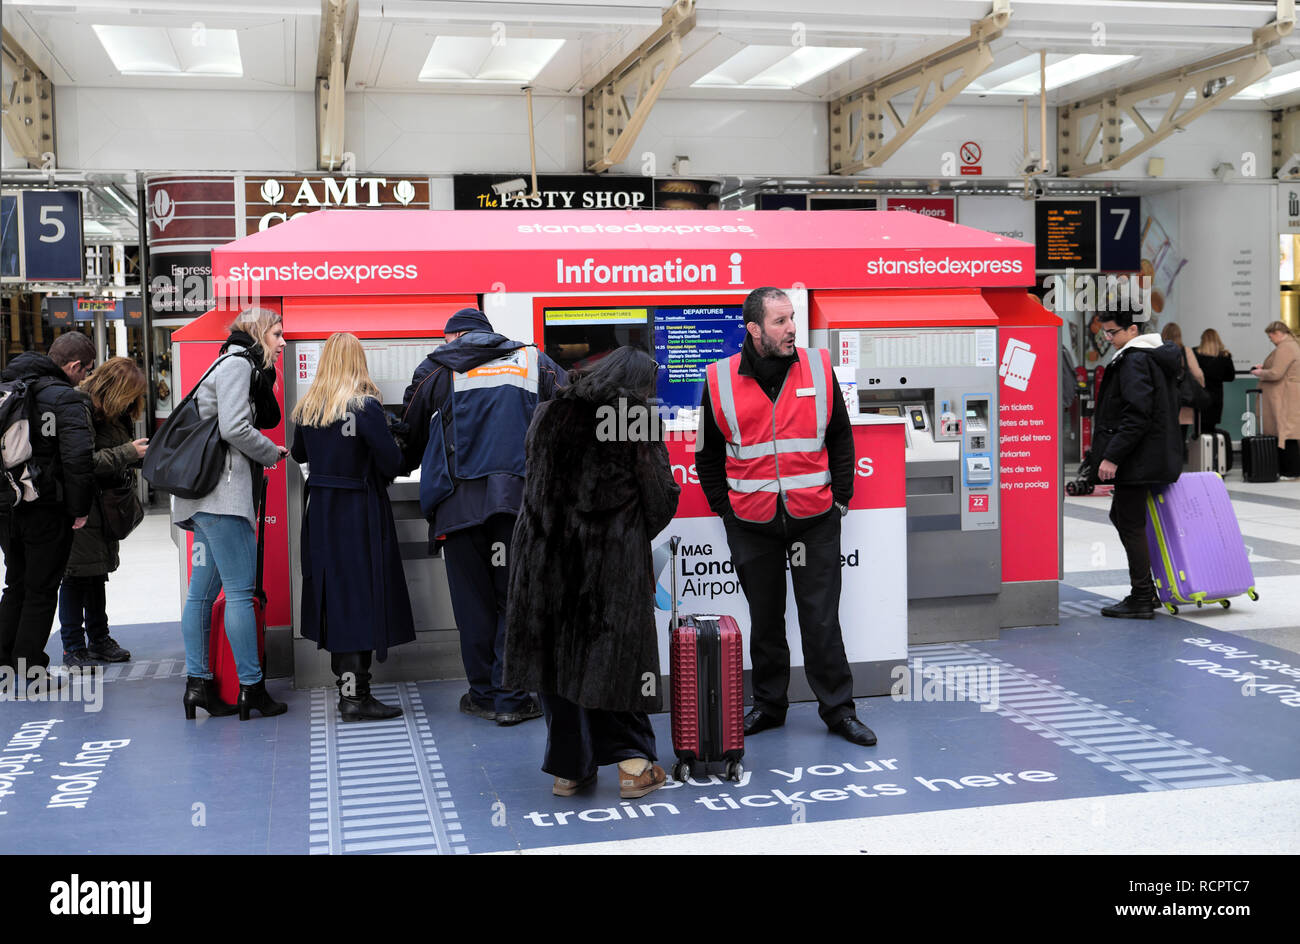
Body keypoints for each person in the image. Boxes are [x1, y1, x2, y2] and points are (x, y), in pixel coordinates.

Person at [695, 286, 876, 746]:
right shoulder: (717, 379)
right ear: (754, 329)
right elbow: (707, 455)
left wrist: (841, 500)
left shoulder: (817, 366)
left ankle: (839, 711)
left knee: (821, 621)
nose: (791, 328)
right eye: (780, 321)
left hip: (814, 519)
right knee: (766, 620)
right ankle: (769, 706)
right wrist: (726, 511)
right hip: (752, 522)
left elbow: (840, 437)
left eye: (791, 318)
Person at [503, 346, 679, 798]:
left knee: (556, 664)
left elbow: (534, 482)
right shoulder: (633, 416)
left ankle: (570, 770)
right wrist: (622, 535)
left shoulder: (547, 412)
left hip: (541, 559)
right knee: (618, 660)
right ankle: (634, 767)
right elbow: (660, 497)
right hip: (607, 564)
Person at [399, 307, 566, 726]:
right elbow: (571, 415)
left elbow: (409, 431)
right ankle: (511, 698)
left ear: (454, 336)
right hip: (516, 503)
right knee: (513, 599)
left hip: (457, 506)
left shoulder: (437, 368)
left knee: (472, 603)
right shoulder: (534, 360)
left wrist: (394, 463)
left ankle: (483, 693)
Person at [171, 307, 289, 720]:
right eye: (276, 334)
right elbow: (235, 428)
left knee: (200, 595)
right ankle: (252, 688)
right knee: (241, 593)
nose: (282, 342)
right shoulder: (239, 364)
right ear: (258, 333)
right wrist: (271, 452)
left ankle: (198, 685)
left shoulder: (225, 361)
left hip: (202, 498)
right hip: (223, 496)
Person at [290, 333, 414, 721]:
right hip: (358, 511)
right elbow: (392, 462)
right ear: (358, 363)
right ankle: (355, 697)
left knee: (335, 596)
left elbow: (299, 454)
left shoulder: (309, 407)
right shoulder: (365, 407)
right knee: (361, 597)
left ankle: (348, 689)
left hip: (322, 511)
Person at [0, 332, 95, 689]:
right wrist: (79, 509)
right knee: (41, 589)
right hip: (46, 507)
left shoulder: (6, 386)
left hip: (7, 506)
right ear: (72, 366)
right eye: (85, 371)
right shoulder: (66, 399)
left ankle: (3, 663)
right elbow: (77, 459)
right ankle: (31, 669)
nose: (84, 377)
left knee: (15, 583)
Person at [1090, 310, 1182, 618]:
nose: (1108, 339)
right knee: (1124, 517)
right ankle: (1146, 591)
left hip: (1137, 458)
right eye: (1104, 333)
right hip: (1150, 454)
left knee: (1129, 521)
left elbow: (1136, 415)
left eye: (1112, 332)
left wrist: (1112, 456)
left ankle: (1142, 596)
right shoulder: (1155, 356)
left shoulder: (1134, 360)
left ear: (1132, 329)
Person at [59, 357, 149, 669]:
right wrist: (129, 452)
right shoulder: (80, 407)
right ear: (115, 389)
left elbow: (116, 455)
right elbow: (82, 461)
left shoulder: (112, 414)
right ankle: (73, 646)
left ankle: (99, 639)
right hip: (81, 505)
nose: (132, 401)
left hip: (103, 506)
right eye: (129, 393)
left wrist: (141, 456)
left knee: (96, 573)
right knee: (75, 576)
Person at [1250, 321, 1300, 478]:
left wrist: (1260, 373)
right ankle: (1290, 470)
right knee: (1287, 432)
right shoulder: (1292, 345)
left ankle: (1290, 471)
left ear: (1277, 333)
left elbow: (1276, 373)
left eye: (1270, 336)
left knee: (1285, 433)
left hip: (1282, 396)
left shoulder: (1285, 347)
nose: (1270, 339)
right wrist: (1264, 368)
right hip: (1286, 395)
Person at [1160, 322, 1205, 450]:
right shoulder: (1185, 351)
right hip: (1182, 400)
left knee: (1164, 439)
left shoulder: (1157, 351)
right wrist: (1200, 387)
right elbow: (1198, 374)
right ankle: (1177, 465)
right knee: (1180, 437)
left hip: (1163, 401)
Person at [1193, 328, 1235, 432]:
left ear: (1202, 339)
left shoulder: (1194, 353)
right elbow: (1230, 377)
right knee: (1210, 429)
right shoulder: (1225, 356)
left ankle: (1199, 448)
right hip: (1216, 397)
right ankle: (1212, 448)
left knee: (1199, 428)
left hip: (1199, 395)